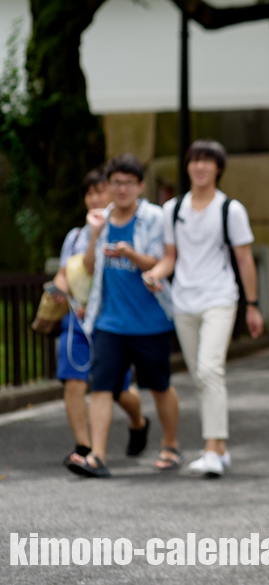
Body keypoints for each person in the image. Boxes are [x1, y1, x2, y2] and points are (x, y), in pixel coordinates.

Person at [143, 140, 263, 479]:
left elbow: (244, 259)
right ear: (187, 166)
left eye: (207, 161)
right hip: (183, 300)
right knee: (200, 375)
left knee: (210, 370)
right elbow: (170, 257)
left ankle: (212, 449)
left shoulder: (231, 210)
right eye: (194, 160)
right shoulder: (172, 210)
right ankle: (219, 451)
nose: (200, 166)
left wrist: (252, 305)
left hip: (220, 298)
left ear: (218, 168)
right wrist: (155, 273)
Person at [66, 154, 181, 478]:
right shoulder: (100, 219)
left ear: (140, 185)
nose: (122, 188)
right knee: (101, 387)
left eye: (129, 182)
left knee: (159, 386)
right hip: (108, 321)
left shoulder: (154, 218)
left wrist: (130, 253)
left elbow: (162, 260)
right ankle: (97, 456)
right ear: (108, 185)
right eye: (116, 182)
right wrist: (93, 235)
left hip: (150, 320)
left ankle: (170, 444)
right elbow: (88, 268)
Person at [53, 168, 148, 469]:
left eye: (99, 192)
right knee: (73, 379)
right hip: (77, 321)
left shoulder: (119, 229)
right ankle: (85, 446)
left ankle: (138, 420)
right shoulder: (75, 236)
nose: (94, 198)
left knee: (117, 389)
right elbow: (65, 272)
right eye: (89, 193)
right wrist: (60, 291)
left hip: (109, 321)